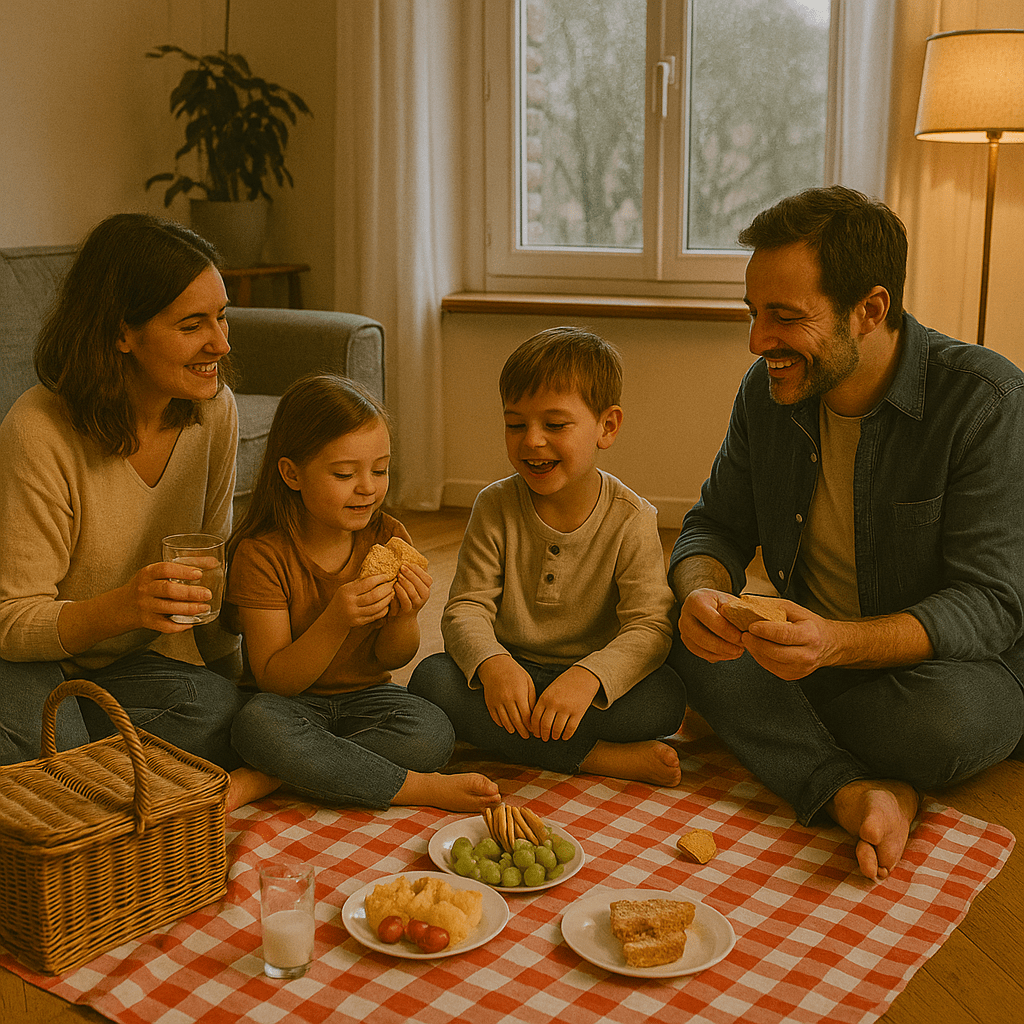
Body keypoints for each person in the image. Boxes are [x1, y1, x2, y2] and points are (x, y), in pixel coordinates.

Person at [667, 186, 1024, 882]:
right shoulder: (765, 393)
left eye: (785, 317)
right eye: (753, 314)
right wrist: (700, 593)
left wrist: (834, 646)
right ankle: (858, 790)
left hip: (945, 674)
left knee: (945, 725)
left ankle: (798, 745)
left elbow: (991, 604)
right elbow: (713, 527)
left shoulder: (986, 401)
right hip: (805, 654)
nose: (757, 341)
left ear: (870, 310)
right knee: (677, 637)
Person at [0, 212, 248, 779]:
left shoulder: (214, 411)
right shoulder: (38, 430)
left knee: (218, 710)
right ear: (120, 333)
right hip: (28, 661)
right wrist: (123, 607)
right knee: (53, 743)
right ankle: (79, 769)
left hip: (128, 672)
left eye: (222, 317)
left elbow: (212, 569)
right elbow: (11, 621)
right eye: (193, 325)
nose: (220, 342)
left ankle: (77, 764)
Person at [409, 327, 687, 786]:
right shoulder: (494, 506)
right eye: (515, 424)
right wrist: (493, 664)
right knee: (431, 681)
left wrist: (589, 678)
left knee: (666, 698)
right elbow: (465, 608)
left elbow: (650, 626)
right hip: (511, 677)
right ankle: (595, 756)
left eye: (554, 425)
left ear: (607, 426)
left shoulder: (632, 517)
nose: (531, 441)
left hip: (589, 687)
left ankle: (527, 741)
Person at [224, 372, 501, 812]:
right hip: (292, 706)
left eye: (380, 469)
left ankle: (279, 771)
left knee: (432, 732)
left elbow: (393, 659)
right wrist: (337, 619)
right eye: (344, 473)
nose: (368, 487)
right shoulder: (262, 555)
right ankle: (412, 787)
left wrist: (406, 616)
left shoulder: (388, 536)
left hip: (368, 701)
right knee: (255, 726)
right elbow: (275, 679)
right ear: (291, 474)